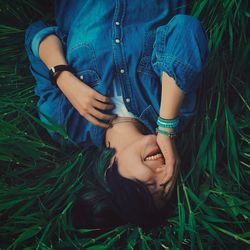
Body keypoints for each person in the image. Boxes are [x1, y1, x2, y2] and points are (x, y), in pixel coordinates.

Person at [24, 0, 209, 229]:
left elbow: (36, 33)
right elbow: (185, 29)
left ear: (110, 173)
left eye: (149, 186)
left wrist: (62, 76)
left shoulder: (66, 124)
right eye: (167, 182)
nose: (162, 172)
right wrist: (166, 127)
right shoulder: (173, 111)